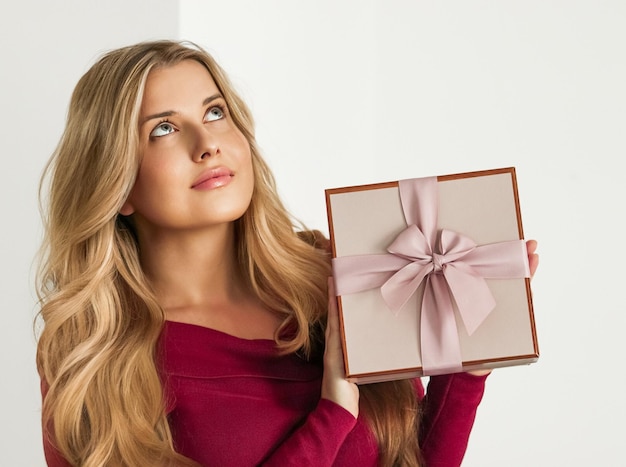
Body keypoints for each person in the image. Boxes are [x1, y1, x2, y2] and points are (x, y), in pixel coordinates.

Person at [36, 40, 539, 467]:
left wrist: (471, 365)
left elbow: (413, 458)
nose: (207, 142)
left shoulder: (333, 279)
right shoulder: (94, 353)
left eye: (215, 112)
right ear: (117, 184)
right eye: (163, 128)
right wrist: (334, 409)